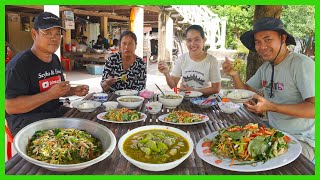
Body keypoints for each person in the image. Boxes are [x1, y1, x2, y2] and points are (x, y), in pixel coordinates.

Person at [222, 17, 315, 161]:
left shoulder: (302, 64)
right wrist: (235, 75)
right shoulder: (266, 67)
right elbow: (246, 92)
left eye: (267, 39)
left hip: (302, 140)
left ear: (282, 38)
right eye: (258, 42)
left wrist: (272, 107)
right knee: (231, 148)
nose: (262, 46)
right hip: (272, 132)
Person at [5, 12, 89, 136]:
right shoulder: (19, 65)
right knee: (67, 142)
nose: (54, 38)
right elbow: (10, 107)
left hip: (54, 113)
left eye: (57, 34)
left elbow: (54, 89)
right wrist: (49, 95)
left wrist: (72, 90)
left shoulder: (54, 59)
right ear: (34, 34)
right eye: (48, 33)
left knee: (89, 122)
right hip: (26, 121)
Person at [158, 25, 221, 95]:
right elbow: (172, 85)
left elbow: (216, 89)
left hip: (204, 101)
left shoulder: (211, 61)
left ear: (204, 40)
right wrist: (166, 73)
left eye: (196, 39)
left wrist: (194, 91)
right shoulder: (182, 59)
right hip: (185, 98)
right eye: (189, 40)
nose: (192, 44)